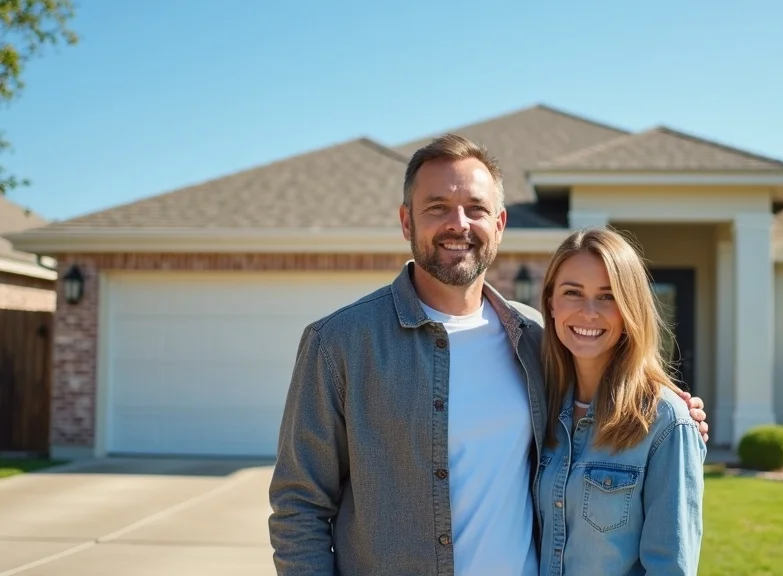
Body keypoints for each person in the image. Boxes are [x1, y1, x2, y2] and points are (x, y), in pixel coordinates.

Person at [268, 133, 709, 576]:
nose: (458, 224)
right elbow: (299, 506)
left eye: (475, 209)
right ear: (406, 222)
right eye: (436, 206)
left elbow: (611, 384)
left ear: (499, 224)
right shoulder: (339, 344)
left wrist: (675, 410)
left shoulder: (534, 337)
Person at [534, 228, 705, 575]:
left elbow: (670, 568)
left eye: (608, 296)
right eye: (572, 292)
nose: (588, 312)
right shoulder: (540, 406)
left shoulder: (665, 422)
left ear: (630, 309)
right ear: (551, 301)